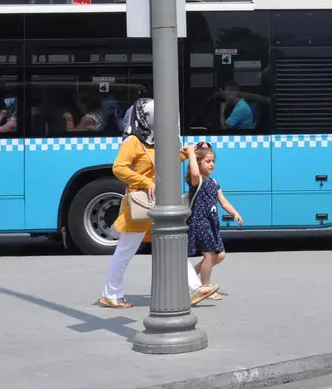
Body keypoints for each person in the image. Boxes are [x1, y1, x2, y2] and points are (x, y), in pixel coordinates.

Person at [98, 98, 219, 309]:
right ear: (145, 117)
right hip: (140, 206)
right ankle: (111, 293)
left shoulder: (155, 141)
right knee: (125, 252)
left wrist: (190, 151)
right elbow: (119, 168)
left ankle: (194, 287)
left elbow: (166, 159)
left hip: (158, 205)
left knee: (173, 245)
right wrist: (145, 182)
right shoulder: (133, 142)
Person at [185, 142, 242, 301]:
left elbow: (223, 202)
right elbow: (194, 174)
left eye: (213, 161)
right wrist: (191, 153)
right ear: (198, 163)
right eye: (207, 161)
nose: (211, 164)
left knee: (220, 255)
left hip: (211, 223)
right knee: (209, 255)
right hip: (200, 222)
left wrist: (235, 213)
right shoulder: (197, 181)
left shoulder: (214, 182)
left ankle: (192, 277)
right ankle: (205, 287)